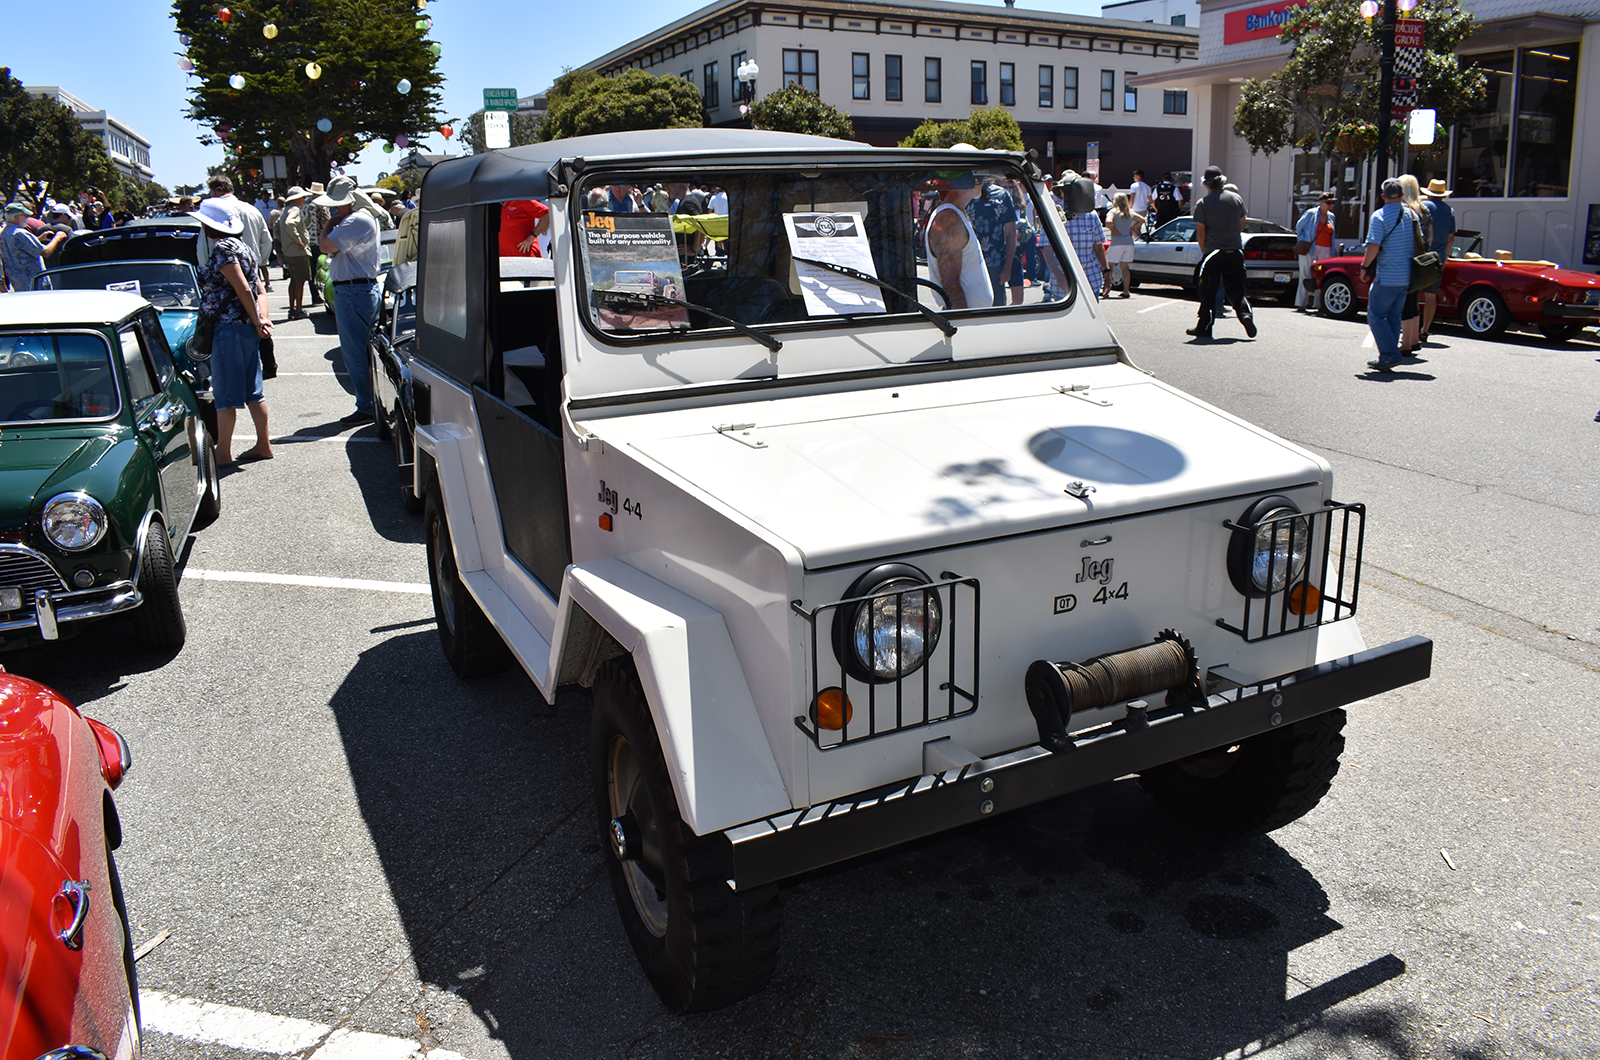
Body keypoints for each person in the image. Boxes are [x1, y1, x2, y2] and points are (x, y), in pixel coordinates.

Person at [191, 198, 272, 466]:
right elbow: (257, 289)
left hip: (228, 329)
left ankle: (222, 453)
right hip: (245, 328)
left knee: (225, 395)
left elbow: (243, 288)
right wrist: (261, 319)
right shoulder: (244, 247)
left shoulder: (223, 249)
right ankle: (263, 443)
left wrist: (257, 320)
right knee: (253, 390)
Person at [316, 176, 381, 424]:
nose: (334, 209)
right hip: (356, 290)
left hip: (354, 291)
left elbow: (324, 245)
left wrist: (331, 223)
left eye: (337, 204)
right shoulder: (360, 218)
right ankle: (370, 403)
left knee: (355, 351)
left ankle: (366, 405)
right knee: (361, 349)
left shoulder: (356, 219)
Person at [1186, 166, 1255, 340]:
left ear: (1206, 183)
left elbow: (1201, 234)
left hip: (1213, 252)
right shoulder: (1236, 199)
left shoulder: (1204, 203)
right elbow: (1241, 227)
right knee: (1236, 288)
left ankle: (1205, 327)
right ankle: (1245, 315)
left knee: (1207, 291)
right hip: (1235, 251)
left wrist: (1205, 252)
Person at [1361, 178, 1416, 372]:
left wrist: (1364, 266)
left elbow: (1374, 245)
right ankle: (1390, 354)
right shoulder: (1411, 215)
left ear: (1383, 196)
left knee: (1376, 315)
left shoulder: (1379, 216)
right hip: (1407, 275)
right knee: (1393, 316)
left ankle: (1390, 354)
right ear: (1402, 195)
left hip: (1388, 275)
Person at [924, 173, 991, 310]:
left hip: (974, 318)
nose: (982, 182)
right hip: (968, 320)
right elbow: (950, 284)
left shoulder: (953, 214)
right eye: (978, 177)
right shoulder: (949, 218)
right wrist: (964, 323)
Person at [966, 179, 1018, 307]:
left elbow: (1011, 233)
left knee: (996, 310)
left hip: (995, 264)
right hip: (968, 264)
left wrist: (1007, 267)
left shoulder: (1001, 195)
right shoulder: (963, 193)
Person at [1397, 175, 1432, 355]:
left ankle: (1406, 343)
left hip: (1408, 259)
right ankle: (1414, 339)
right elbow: (1430, 237)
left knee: (1405, 301)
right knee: (1414, 300)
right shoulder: (1424, 209)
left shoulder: (1404, 210)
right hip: (1422, 259)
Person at [1060, 172, 1107, 301]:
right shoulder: (1055, 215)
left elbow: (1098, 247)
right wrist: (1058, 275)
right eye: (1065, 191)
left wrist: (1106, 271)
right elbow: (1047, 249)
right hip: (1064, 280)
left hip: (1090, 278)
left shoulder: (1091, 215)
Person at [1419, 178, 1456, 342]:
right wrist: (1445, 257)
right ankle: (1425, 329)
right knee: (1431, 295)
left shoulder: (1423, 207)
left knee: (1412, 293)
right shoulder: (1450, 211)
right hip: (1438, 257)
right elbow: (1450, 238)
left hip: (1421, 255)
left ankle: (1410, 327)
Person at [2, 204, 66, 292]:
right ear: (17, 217)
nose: (27, 219)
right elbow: (46, 252)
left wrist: (38, 239)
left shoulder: (4, 233)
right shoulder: (20, 233)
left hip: (19, 283)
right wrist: (57, 238)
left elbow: (19, 247)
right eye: (25, 216)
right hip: (35, 283)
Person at [1294, 191, 1337, 311]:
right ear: (1321, 202)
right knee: (1306, 274)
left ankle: (1319, 304)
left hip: (1326, 248)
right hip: (1310, 247)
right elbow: (1299, 227)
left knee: (1321, 276)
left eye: (1332, 203)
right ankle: (1301, 303)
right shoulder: (1311, 213)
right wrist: (1303, 240)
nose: (1330, 205)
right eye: (1328, 202)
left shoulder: (1331, 216)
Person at [277, 186, 313, 320]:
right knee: (300, 281)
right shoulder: (294, 210)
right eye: (303, 197)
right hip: (298, 252)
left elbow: (277, 227)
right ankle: (299, 309)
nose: (304, 199)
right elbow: (290, 224)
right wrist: (299, 241)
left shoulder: (284, 210)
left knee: (293, 281)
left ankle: (292, 308)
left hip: (288, 251)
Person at [1104, 192, 1142, 298]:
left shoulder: (1113, 212)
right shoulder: (1130, 212)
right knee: (1125, 268)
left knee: (1109, 267)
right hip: (1129, 242)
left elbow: (1108, 222)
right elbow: (1142, 219)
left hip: (1117, 242)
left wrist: (1114, 230)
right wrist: (1132, 228)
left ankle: (1106, 289)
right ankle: (1126, 291)